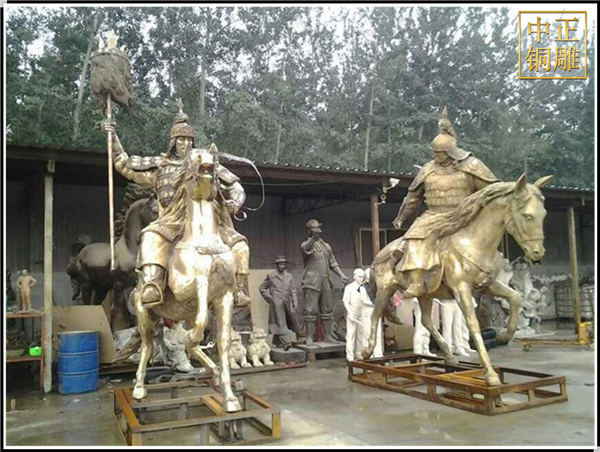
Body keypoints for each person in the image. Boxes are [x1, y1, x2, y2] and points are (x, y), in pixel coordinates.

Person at [101, 99, 251, 308]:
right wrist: (112, 136)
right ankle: (152, 283)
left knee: (240, 244)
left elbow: (235, 186)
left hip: (210, 221)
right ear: (173, 141)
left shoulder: (206, 164)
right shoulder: (161, 166)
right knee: (150, 236)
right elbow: (124, 164)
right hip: (171, 221)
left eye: (189, 139)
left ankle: (238, 289)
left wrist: (236, 201)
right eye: (181, 139)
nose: (186, 143)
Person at [391, 106, 499, 299]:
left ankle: (490, 270)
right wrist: (401, 217)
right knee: (414, 237)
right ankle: (417, 282)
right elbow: (412, 198)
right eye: (433, 152)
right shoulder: (427, 169)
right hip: (433, 216)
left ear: (450, 152)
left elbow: (492, 191)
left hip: (465, 215)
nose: (434, 156)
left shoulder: (471, 165)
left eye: (438, 153)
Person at [300, 219, 349, 345]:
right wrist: (313, 238)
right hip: (311, 281)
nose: (318, 231)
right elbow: (305, 249)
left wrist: (341, 275)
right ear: (309, 231)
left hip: (325, 280)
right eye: (314, 229)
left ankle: (328, 336)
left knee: (327, 309)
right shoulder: (306, 245)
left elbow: (332, 262)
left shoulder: (326, 246)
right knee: (310, 310)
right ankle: (309, 337)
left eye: (319, 228)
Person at [259, 255, 300, 351]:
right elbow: (262, 288)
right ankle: (286, 342)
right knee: (280, 322)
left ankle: (276, 340)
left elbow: (293, 290)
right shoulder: (271, 276)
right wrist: (270, 298)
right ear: (276, 265)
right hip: (276, 304)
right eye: (279, 264)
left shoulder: (289, 276)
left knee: (288, 322)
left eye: (283, 264)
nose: (282, 266)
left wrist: (295, 302)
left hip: (287, 302)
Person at [343, 268, 368, 361]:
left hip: (362, 313)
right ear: (354, 276)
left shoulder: (365, 287)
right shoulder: (349, 287)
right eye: (359, 276)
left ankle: (359, 354)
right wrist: (350, 312)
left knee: (361, 334)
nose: (361, 278)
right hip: (352, 312)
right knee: (351, 335)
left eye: (362, 277)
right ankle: (349, 355)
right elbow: (345, 301)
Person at [361, 268, 384, 358]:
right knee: (367, 333)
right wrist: (375, 304)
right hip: (367, 312)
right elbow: (364, 300)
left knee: (378, 333)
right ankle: (367, 354)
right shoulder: (363, 288)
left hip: (376, 311)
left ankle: (378, 353)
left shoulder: (376, 287)